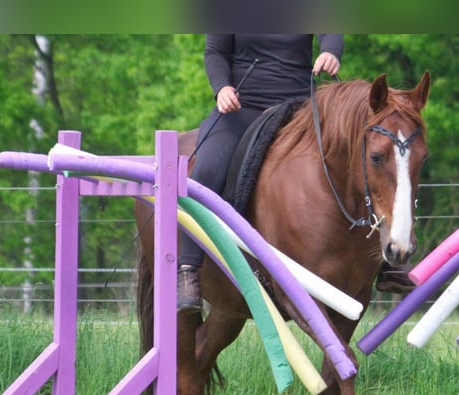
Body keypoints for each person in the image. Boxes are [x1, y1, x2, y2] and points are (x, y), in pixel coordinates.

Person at [178, 34, 415, 314]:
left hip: (301, 105)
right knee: (207, 169)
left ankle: (386, 260)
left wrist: (331, 52)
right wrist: (222, 88)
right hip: (243, 105)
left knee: (362, 158)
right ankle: (188, 270)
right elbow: (215, 52)